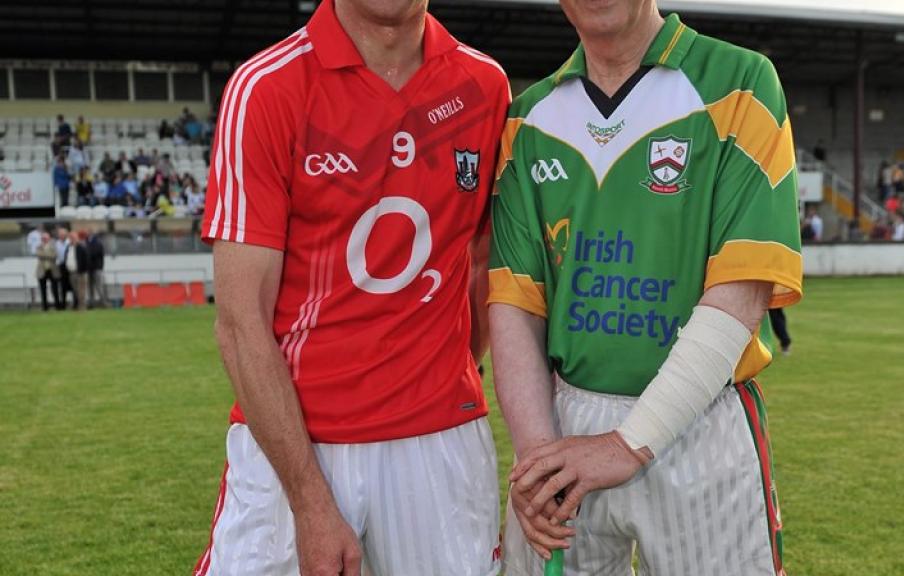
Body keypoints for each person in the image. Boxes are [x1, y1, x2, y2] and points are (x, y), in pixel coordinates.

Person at [193, 1, 510, 575]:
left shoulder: (484, 85)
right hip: (300, 444)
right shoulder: (267, 86)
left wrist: (440, 371)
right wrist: (310, 499)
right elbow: (241, 325)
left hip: (440, 442)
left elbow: (483, 260)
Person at [487, 2, 802, 575]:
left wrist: (629, 443)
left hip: (696, 420)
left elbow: (743, 290)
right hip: (561, 426)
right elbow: (515, 302)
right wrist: (536, 458)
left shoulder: (741, 84)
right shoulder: (528, 117)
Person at [35, 232, 60, 311]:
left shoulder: (53, 246)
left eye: (46, 238)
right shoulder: (39, 246)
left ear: (49, 238)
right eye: (43, 238)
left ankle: (57, 306)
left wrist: (44, 255)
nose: (44, 239)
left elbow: (55, 255)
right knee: (43, 290)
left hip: (52, 270)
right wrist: (48, 255)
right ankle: (45, 307)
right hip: (42, 271)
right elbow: (39, 255)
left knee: (55, 289)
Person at [65, 231, 89, 311]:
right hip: (71, 272)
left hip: (80, 272)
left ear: (76, 238)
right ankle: (77, 306)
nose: (71, 239)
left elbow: (86, 260)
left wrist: (82, 270)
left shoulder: (81, 247)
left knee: (81, 290)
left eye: (73, 238)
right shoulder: (68, 247)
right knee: (75, 291)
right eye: (70, 238)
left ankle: (82, 307)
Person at [86, 229, 109, 308]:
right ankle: (91, 303)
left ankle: (104, 303)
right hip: (89, 268)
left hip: (96, 268)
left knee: (99, 286)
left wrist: (87, 254)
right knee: (90, 287)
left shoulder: (97, 242)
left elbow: (94, 253)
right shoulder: (88, 242)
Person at [54, 227, 71, 310]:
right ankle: (63, 304)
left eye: (63, 234)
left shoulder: (69, 242)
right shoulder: (56, 243)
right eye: (60, 234)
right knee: (62, 286)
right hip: (61, 266)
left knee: (71, 285)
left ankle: (74, 303)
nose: (61, 236)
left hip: (69, 266)